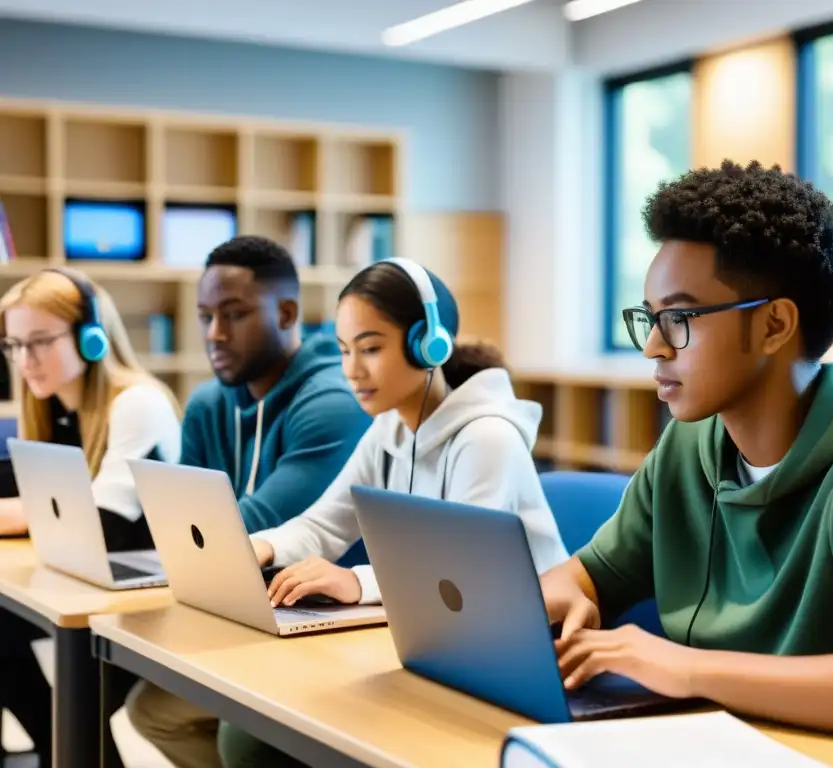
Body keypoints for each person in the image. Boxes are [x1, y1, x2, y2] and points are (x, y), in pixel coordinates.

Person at [540, 160, 833, 761]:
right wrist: (570, 594)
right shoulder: (690, 446)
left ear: (775, 324)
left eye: (678, 319)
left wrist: (688, 668)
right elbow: (582, 578)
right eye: (649, 318)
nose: (652, 345)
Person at [217, 258, 569, 767]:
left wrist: (355, 582)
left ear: (430, 345)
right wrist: (257, 546)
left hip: (512, 658)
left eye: (371, 348)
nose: (351, 370)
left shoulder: (487, 438)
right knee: (250, 731)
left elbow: (462, 576)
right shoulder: (390, 429)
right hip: (432, 645)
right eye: (343, 351)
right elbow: (326, 522)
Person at [124, 235, 372, 768]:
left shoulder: (333, 403)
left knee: (188, 716)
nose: (214, 333)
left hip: (330, 626)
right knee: (151, 707)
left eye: (233, 314)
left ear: (286, 313)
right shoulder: (210, 401)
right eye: (205, 315)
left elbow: (254, 533)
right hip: (242, 616)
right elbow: (179, 532)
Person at [0, 267, 183, 768]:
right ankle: (53, 750)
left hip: (153, 597)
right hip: (92, 585)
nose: (25, 360)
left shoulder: (137, 403)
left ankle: (60, 750)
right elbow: (31, 497)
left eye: (39, 341)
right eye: (13, 345)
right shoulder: (56, 409)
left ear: (92, 338)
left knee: (68, 700)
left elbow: (96, 521)